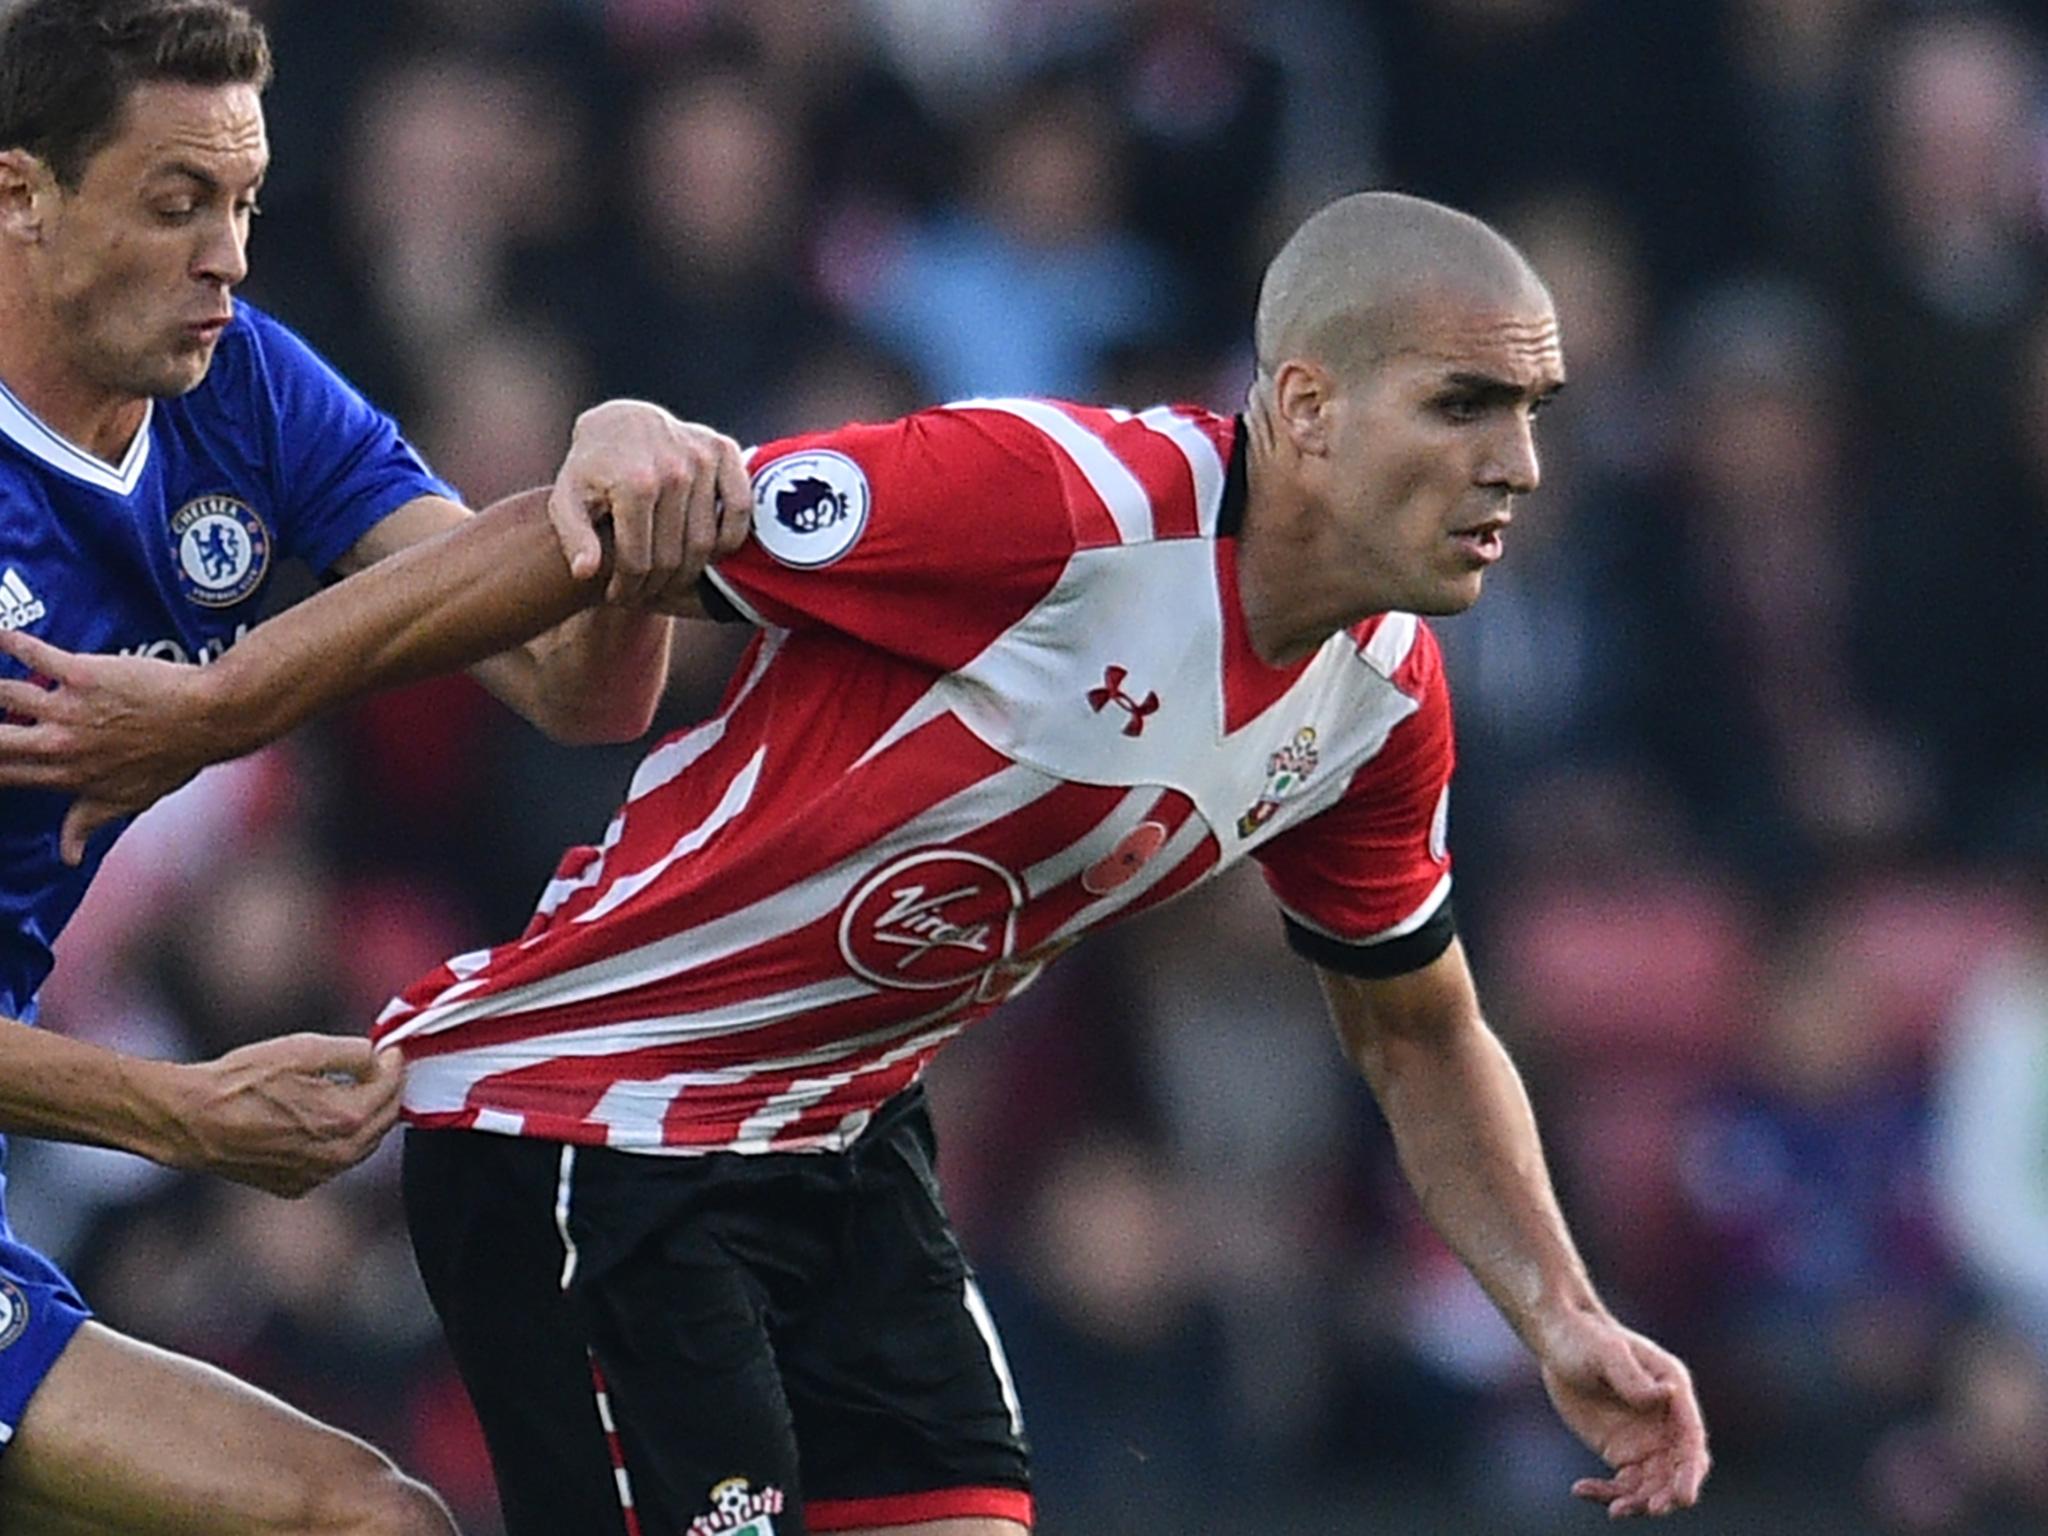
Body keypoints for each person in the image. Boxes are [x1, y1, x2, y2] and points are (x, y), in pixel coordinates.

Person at [0, 191, 1713, 1532]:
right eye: (1468, 401)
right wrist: (214, 713)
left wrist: (1558, 1313)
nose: (1520, 464)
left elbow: (1418, 1030)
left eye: (1540, 408)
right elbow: (588, 534)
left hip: (843, 1147)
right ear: (1312, 406)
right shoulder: (1057, 505)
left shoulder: (1382, 701)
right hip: (591, 1126)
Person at [0, 2, 746, 1532]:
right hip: (77, 1108)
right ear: (22, 196)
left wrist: (609, 510)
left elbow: (569, 687)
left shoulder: (246, 393)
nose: (230, 256)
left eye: (246, 203)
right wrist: (175, 1113)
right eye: (174, 204)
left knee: (373, 1519)